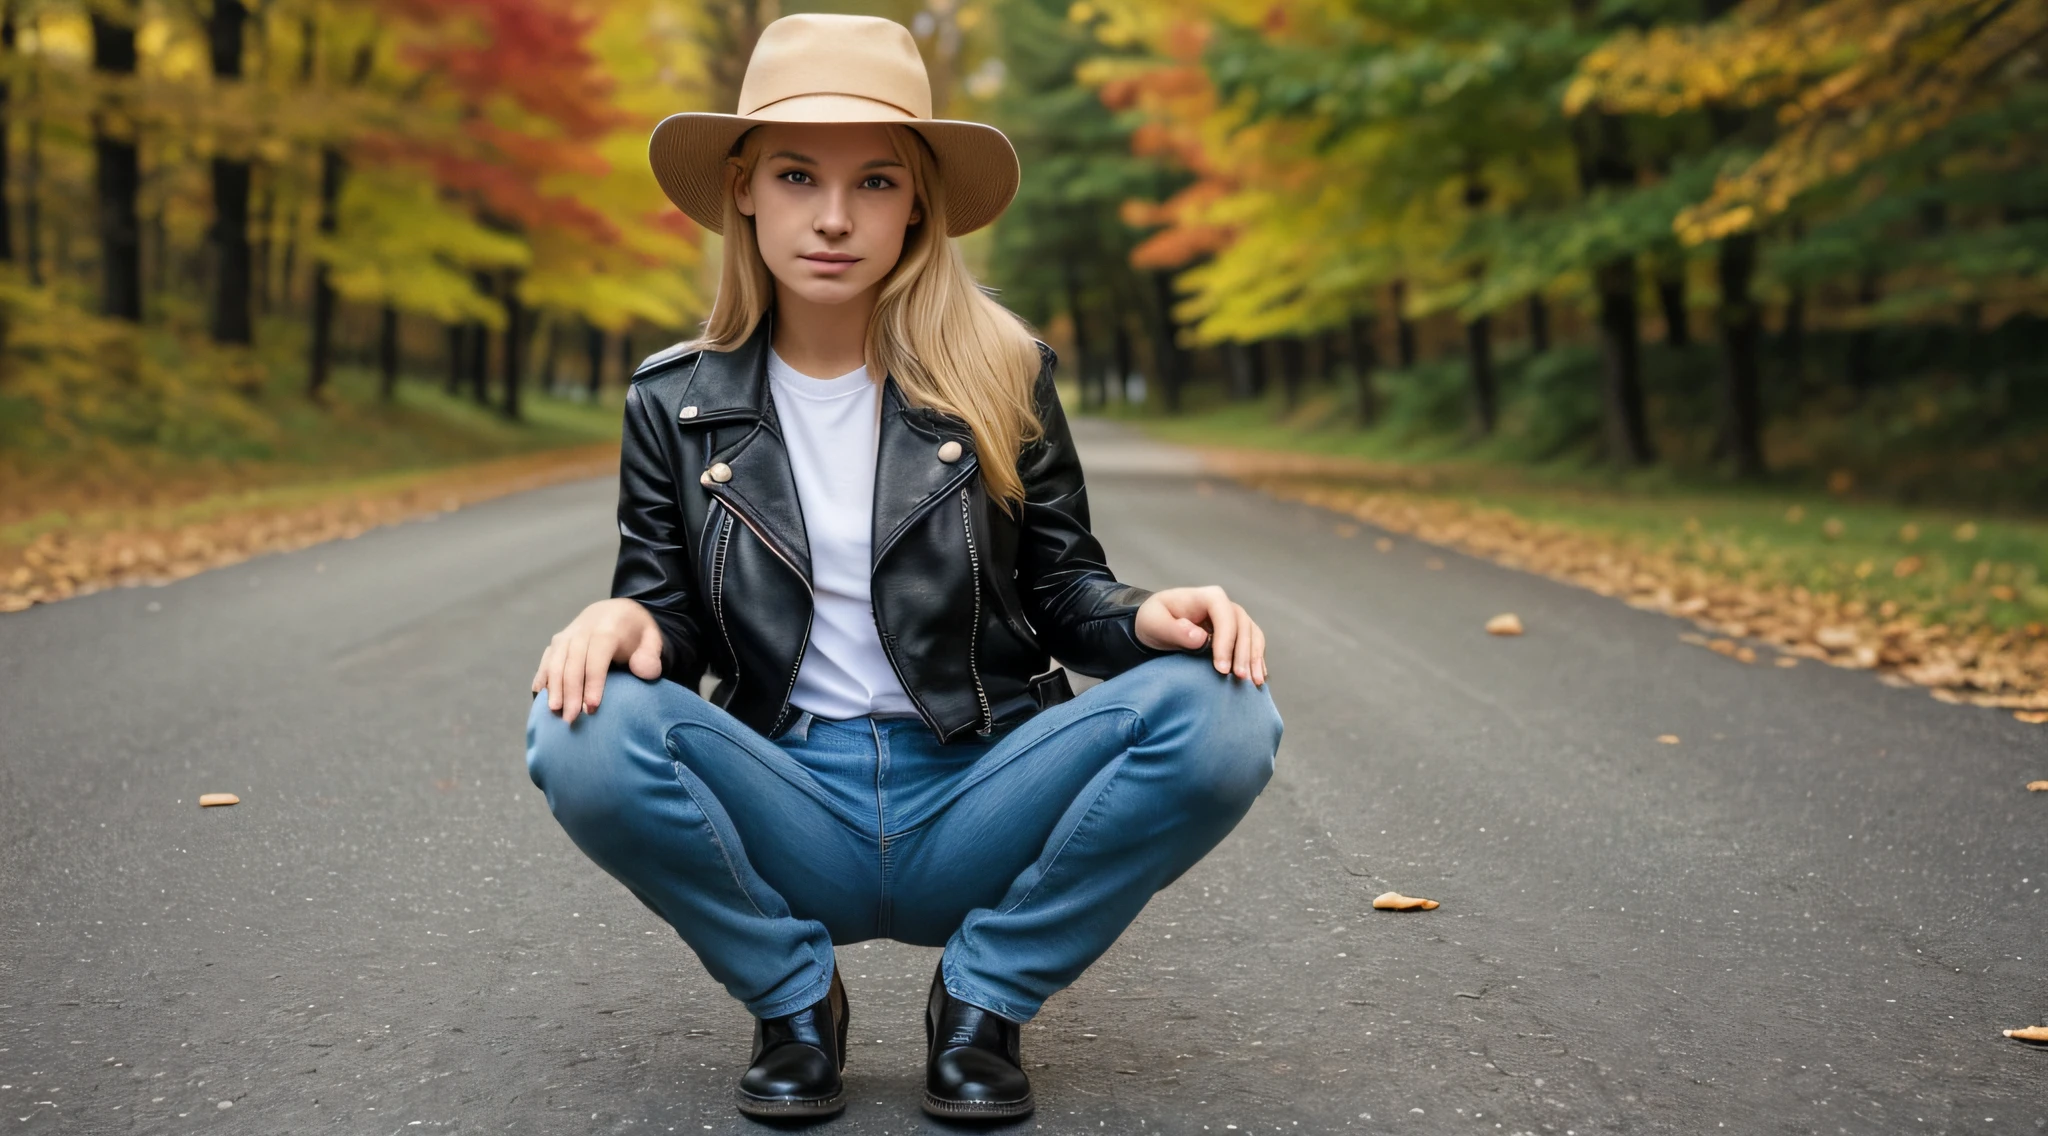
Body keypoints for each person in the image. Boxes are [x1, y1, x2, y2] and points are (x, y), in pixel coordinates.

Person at [523, 12, 1282, 1123]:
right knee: (575, 721)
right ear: (743, 187)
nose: (833, 217)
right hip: (792, 798)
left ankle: (982, 999)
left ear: (917, 199)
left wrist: (1147, 615)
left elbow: (1065, 590)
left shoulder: (1002, 373)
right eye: (796, 175)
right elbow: (666, 617)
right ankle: (792, 1002)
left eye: (875, 181)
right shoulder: (671, 402)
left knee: (1225, 710)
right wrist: (628, 624)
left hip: (980, 786)